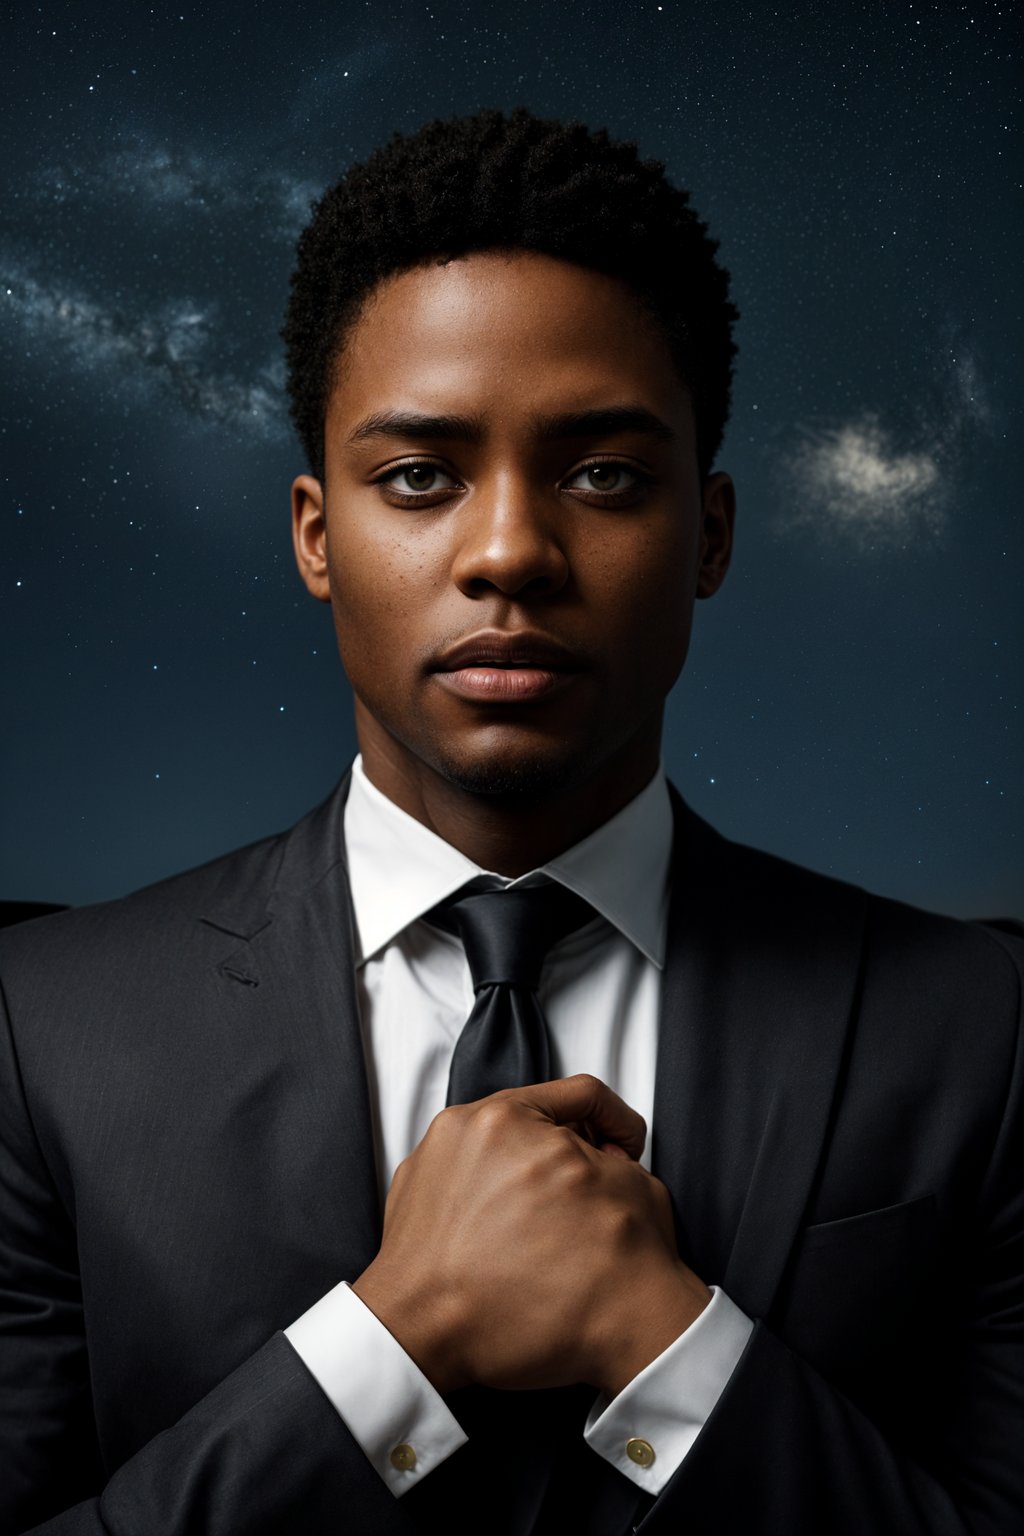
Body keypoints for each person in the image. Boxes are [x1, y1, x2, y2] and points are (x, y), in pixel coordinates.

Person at [0, 106, 1020, 1536]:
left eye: (602, 473)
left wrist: (669, 1354)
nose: (508, 554)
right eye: (419, 477)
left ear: (710, 534)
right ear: (314, 536)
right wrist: (392, 1344)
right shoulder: (41, 1030)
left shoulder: (979, 1025)